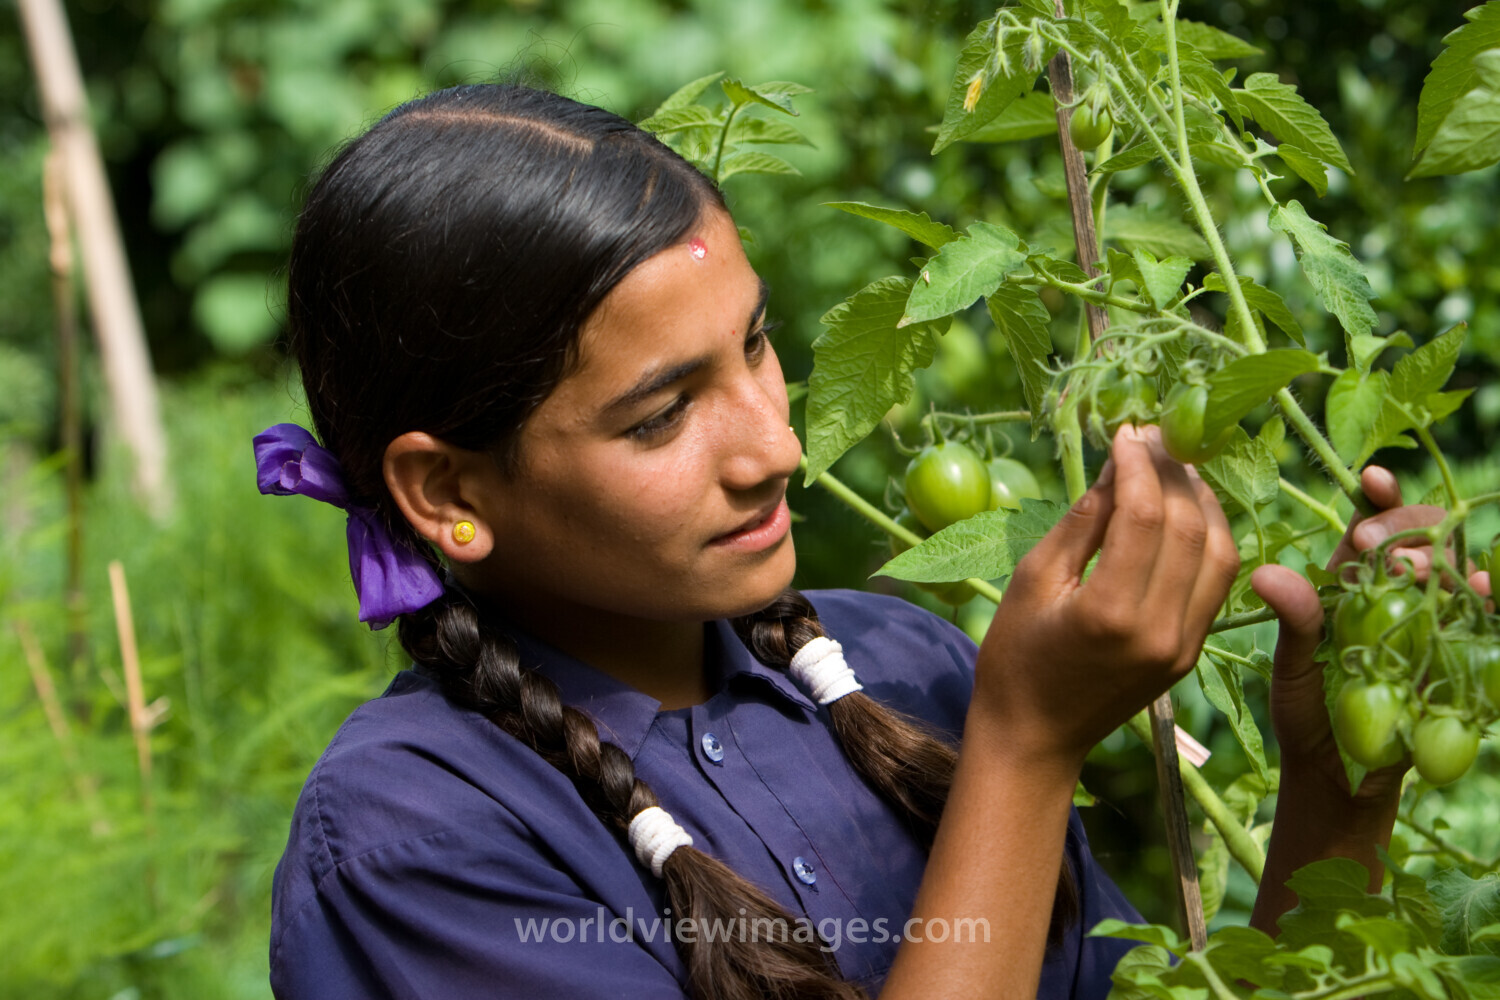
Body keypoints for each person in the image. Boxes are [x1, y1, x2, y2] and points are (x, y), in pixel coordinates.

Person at [260, 83, 1440, 999]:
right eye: (663, 413)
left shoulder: (903, 669)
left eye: (759, 345)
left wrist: (1339, 792)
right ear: (445, 487)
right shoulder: (414, 840)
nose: (774, 445)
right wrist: (1026, 752)